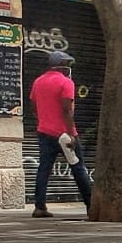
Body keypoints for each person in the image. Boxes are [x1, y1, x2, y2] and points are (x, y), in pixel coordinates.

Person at [29, 49, 92, 218]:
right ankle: (91, 205)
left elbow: (33, 107)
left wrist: (43, 121)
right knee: (78, 168)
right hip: (64, 134)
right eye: (68, 65)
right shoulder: (66, 83)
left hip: (44, 132)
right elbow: (67, 110)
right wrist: (71, 133)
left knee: (44, 168)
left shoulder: (38, 82)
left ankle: (39, 206)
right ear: (63, 66)